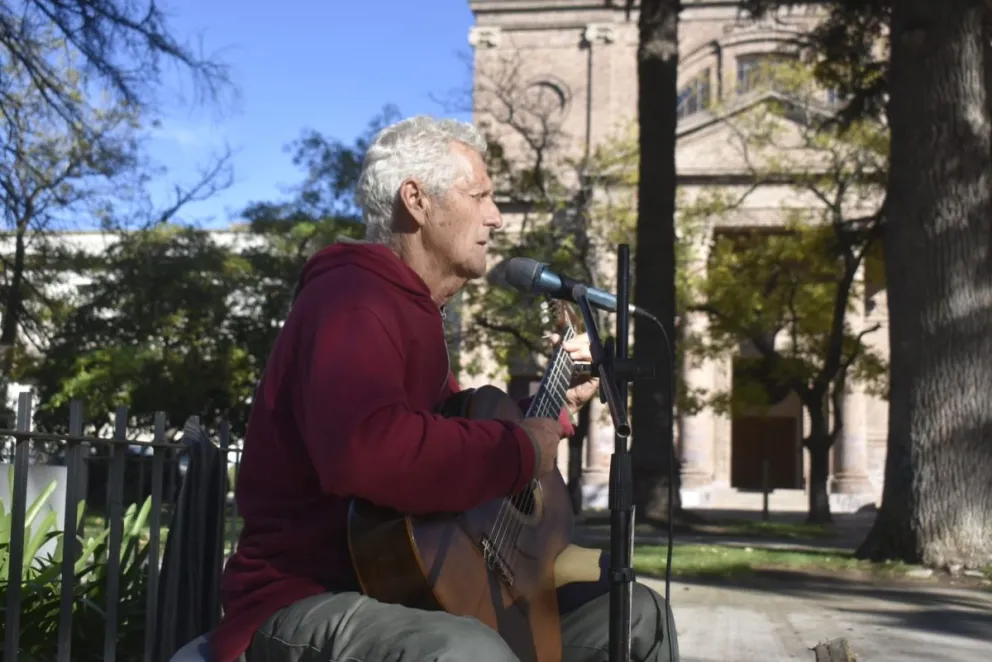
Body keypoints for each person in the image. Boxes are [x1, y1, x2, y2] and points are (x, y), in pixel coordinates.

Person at [211, 116, 679, 662]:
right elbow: (370, 451)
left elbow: (445, 441)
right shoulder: (352, 298)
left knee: (636, 616)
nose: (496, 217)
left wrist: (552, 409)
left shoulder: (419, 315)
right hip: (307, 599)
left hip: (412, 594)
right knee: (467, 651)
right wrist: (520, 447)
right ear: (416, 200)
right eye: (479, 194)